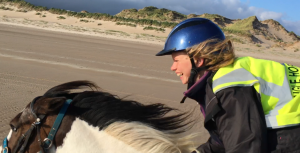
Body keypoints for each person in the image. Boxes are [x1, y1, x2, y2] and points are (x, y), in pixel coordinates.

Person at [156, 17, 300, 153]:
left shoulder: (229, 88)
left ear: (199, 60)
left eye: (176, 60)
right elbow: (225, 139)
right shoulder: (229, 73)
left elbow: (244, 146)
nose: (173, 67)